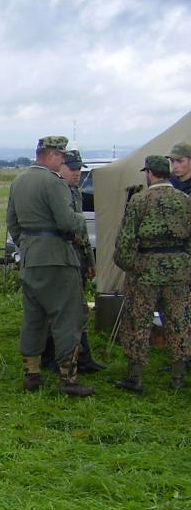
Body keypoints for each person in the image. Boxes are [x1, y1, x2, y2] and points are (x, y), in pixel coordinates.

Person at [6, 135, 93, 396]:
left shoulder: (19, 181)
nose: (64, 160)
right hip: (58, 259)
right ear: (52, 155)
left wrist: (28, 245)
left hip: (31, 258)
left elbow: (12, 222)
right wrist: (81, 220)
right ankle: (69, 379)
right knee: (67, 317)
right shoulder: (54, 182)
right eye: (62, 155)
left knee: (34, 318)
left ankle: (32, 374)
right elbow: (66, 221)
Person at [113, 155, 191, 392]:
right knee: (178, 321)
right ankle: (178, 377)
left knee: (138, 321)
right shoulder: (184, 200)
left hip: (145, 270)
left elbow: (126, 240)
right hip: (178, 270)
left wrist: (129, 265)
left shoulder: (139, 200)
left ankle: (135, 377)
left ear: (149, 173)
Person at [41, 149, 105, 372]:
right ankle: (51, 356)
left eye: (79, 169)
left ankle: (82, 356)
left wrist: (90, 261)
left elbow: (82, 232)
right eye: (72, 168)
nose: (77, 173)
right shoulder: (53, 191)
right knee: (57, 310)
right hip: (59, 258)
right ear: (60, 167)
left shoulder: (75, 192)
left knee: (78, 309)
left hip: (76, 257)